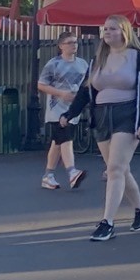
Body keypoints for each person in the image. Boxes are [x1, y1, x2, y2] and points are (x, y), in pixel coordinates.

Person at [63, 16, 140, 241]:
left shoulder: (139, 58)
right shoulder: (98, 59)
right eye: (105, 29)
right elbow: (85, 91)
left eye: (112, 28)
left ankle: (108, 222)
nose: (107, 32)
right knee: (120, 170)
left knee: (114, 169)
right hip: (102, 116)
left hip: (127, 115)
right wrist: (70, 113)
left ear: (124, 32)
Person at [37, 32, 88, 190]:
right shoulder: (53, 64)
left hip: (73, 109)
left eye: (75, 42)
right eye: (69, 42)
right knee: (66, 138)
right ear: (61, 46)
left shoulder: (83, 64)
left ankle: (48, 175)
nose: (74, 45)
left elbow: (86, 85)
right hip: (56, 109)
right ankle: (72, 172)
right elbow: (41, 85)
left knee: (57, 142)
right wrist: (61, 93)